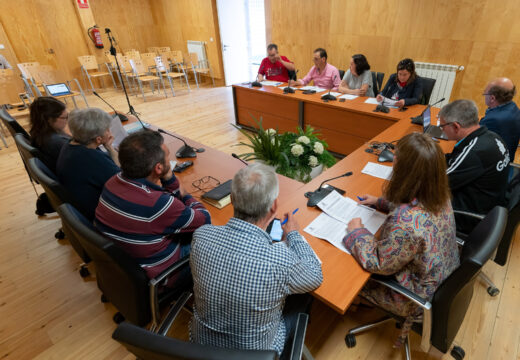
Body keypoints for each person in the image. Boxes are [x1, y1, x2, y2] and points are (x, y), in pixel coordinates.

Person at [190, 163, 322, 358]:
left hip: (201, 347)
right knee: (304, 296)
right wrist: (293, 235)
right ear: (274, 207)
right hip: (258, 354)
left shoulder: (201, 235)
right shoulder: (279, 259)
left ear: (232, 199)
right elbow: (315, 276)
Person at [343, 132, 460, 347]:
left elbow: (378, 263)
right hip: (441, 278)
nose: (392, 164)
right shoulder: (440, 194)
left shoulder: (405, 223)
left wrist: (356, 232)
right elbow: (414, 202)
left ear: (405, 172)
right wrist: (380, 202)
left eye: (395, 162)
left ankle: (355, 301)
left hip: (413, 298)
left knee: (345, 271)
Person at [95, 130, 210, 285]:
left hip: (126, 267)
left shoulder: (112, 182)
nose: (169, 160)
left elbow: (171, 209)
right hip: (161, 276)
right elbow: (205, 219)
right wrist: (186, 195)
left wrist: (169, 179)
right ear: (158, 168)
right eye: (167, 157)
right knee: (211, 240)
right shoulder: (157, 204)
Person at [439, 99, 510, 232]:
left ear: (456, 126)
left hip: (469, 216)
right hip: (490, 204)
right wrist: (427, 157)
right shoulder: (491, 136)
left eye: (442, 126)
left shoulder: (474, 152)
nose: (441, 130)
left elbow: (439, 184)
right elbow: (454, 160)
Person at [56, 108, 120, 221]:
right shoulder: (93, 159)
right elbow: (125, 183)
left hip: (82, 208)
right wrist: (111, 150)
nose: (110, 132)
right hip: (102, 216)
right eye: (107, 129)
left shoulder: (70, 144)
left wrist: (109, 148)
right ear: (98, 139)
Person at [480, 77, 520, 161]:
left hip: (493, 165)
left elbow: (473, 140)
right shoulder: (513, 107)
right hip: (507, 158)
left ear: (492, 98)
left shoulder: (493, 120)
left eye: (485, 93)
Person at [29, 97, 70, 174]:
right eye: (65, 117)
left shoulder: (38, 133)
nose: (67, 120)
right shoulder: (58, 142)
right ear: (49, 119)